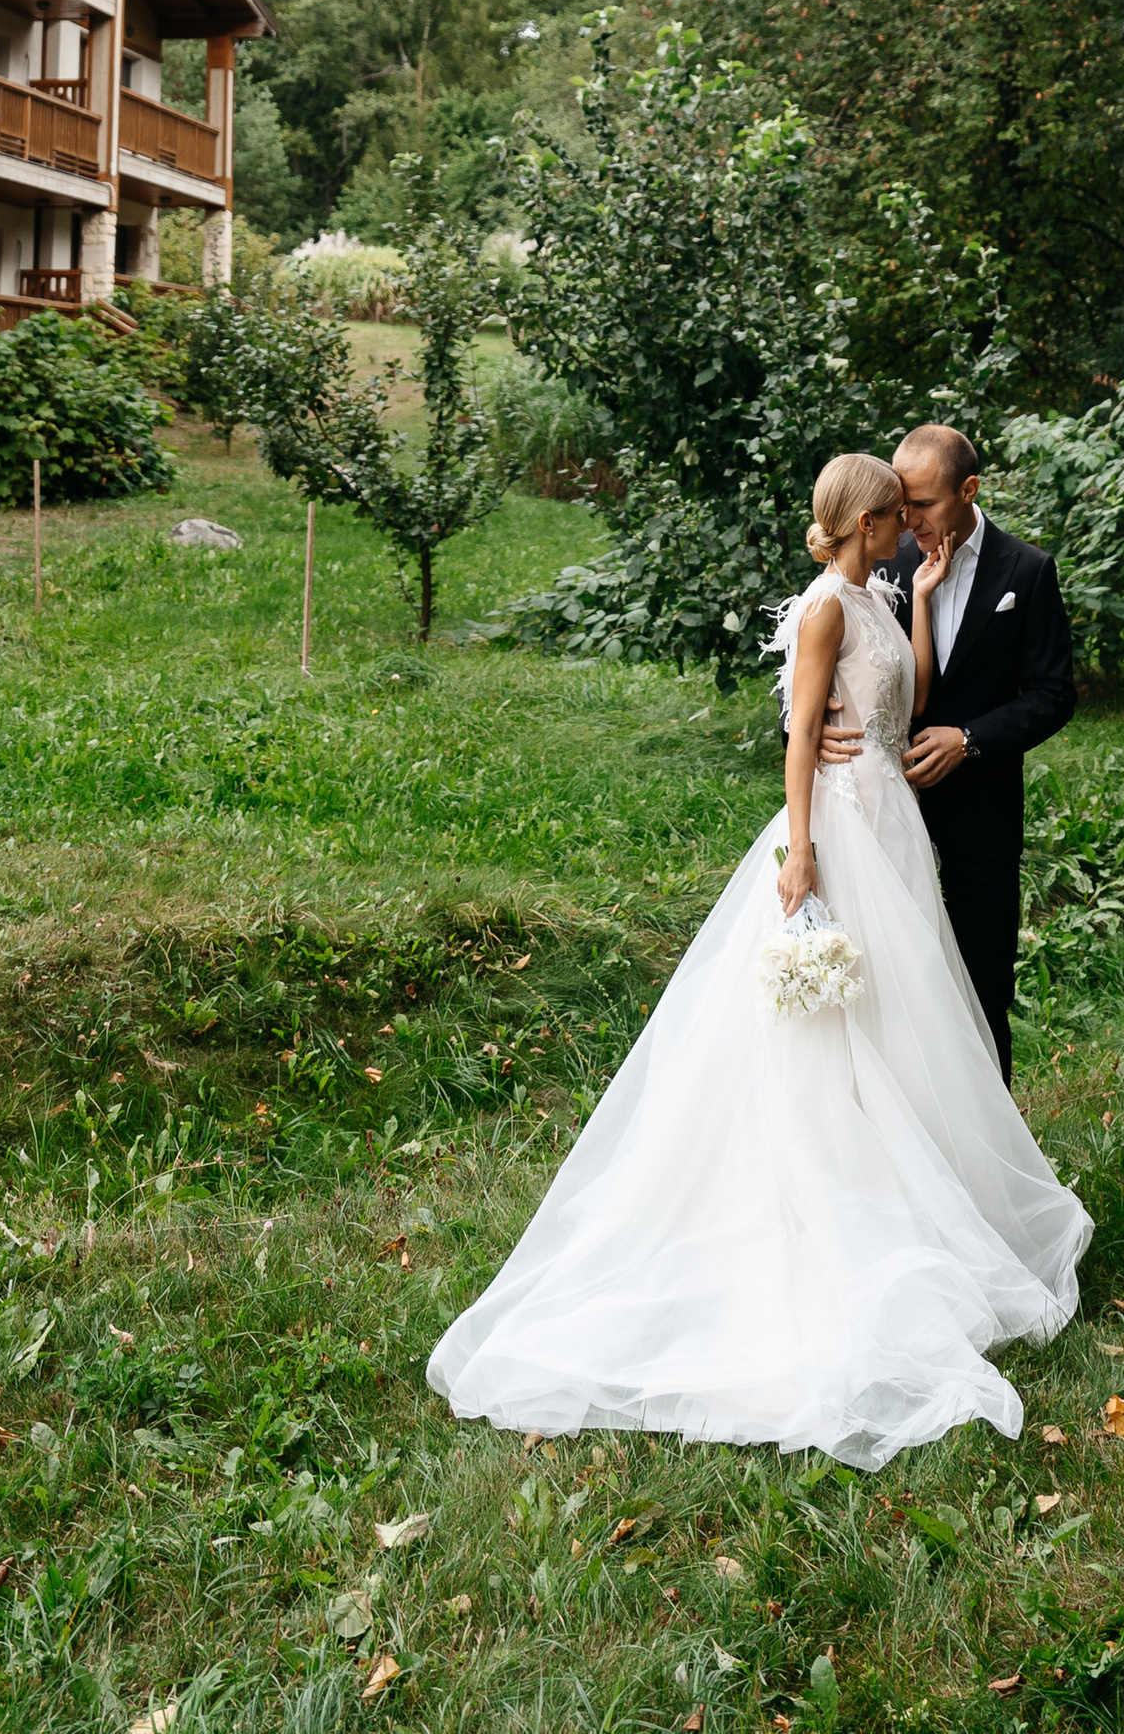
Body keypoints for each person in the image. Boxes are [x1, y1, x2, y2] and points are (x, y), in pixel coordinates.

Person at [427, 452, 1090, 1468]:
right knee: (831, 1035)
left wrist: (912, 602)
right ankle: (829, 1213)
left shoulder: (880, 591)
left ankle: (929, 1205)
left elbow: (905, 693)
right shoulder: (824, 606)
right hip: (840, 828)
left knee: (910, 1017)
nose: (909, 526)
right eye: (895, 516)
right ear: (867, 519)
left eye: (918, 512)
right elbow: (796, 731)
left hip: (896, 828)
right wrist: (802, 849)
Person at [832, 422, 1077, 1083]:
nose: (906, 517)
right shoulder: (885, 555)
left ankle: (990, 1155)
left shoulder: (1026, 572)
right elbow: (819, 637)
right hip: (881, 809)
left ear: (968, 491)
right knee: (883, 978)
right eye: (900, 503)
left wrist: (970, 740)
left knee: (981, 980)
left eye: (924, 504)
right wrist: (804, 723)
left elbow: (1054, 694)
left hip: (983, 813)